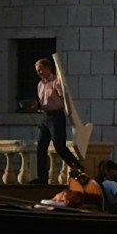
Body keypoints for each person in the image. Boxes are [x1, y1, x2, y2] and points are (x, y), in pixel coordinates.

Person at [30, 52, 78, 184]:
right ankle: (42, 178)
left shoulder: (57, 82)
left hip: (56, 116)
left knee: (59, 146)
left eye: (40, 69)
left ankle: (78, 168)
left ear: (48, 68)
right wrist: (35, 106)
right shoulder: (40, 84)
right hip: (45, 117)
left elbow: (64, 96)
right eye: (37, 70)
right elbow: (41, 101)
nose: (38, 72)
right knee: (41, 147)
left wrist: (61, 85)